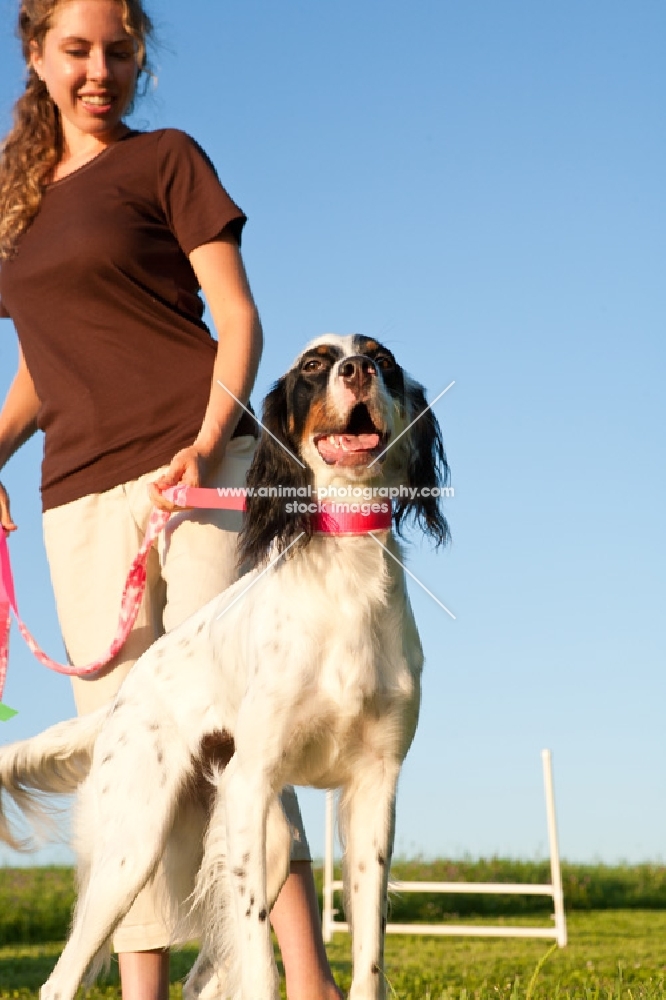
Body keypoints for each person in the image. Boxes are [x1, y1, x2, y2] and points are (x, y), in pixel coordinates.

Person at [0, 2, 343, 999]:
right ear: (35, 53)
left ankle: (311, 984)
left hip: (200, 468)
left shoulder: (167, 161)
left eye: (119, 50)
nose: (100, 70)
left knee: (236, 727)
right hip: (76, 496)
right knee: (127, 757)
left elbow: (238, 318)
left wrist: (203, 440)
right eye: (76, 51)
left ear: (139, 52)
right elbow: (48, 359)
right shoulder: (14, 203)